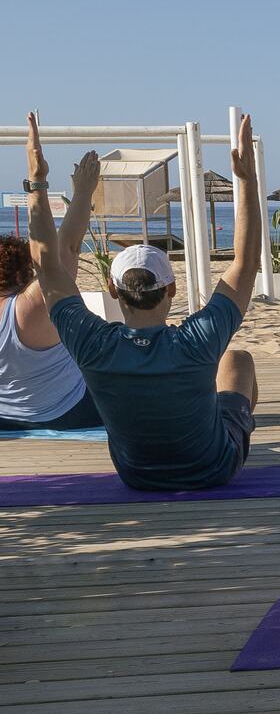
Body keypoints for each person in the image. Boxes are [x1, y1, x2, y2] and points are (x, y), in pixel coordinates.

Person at [30, 112, 263, 490]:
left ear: (112, 290)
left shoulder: (92, 343)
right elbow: (246, 263)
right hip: (213, 468)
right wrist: (247, 181)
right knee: (237, 360)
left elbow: (48, 264)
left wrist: (39, 182)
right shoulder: (197, 339)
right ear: (170, 291)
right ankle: (232, 431)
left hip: (136, 475)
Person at [1, 115, 103, 432]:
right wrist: (74, 189)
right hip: (63, 413)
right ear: (24, 272)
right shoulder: (30, 308)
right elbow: (61, 251)